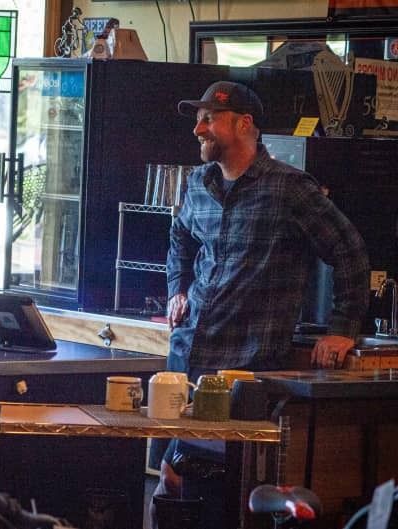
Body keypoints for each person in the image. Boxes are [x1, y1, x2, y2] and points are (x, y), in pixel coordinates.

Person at [151, 81, 370, 528]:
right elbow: (179, 238)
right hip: (185, 361)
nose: (198, 129)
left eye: (209, 118)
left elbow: (349, 250)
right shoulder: (199, 182)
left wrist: (343, 327)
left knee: (219, 499)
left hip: (244, 374)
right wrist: (178, 286)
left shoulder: (290, 189)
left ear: (244, 124)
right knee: (169, 489)